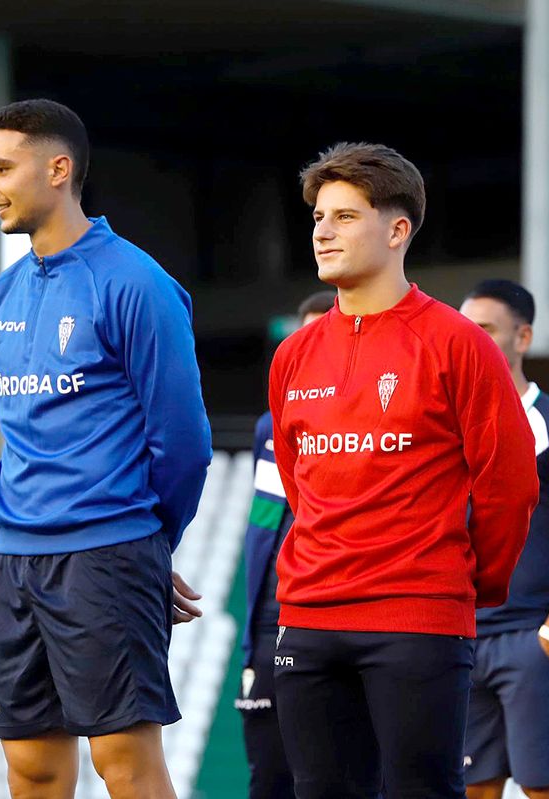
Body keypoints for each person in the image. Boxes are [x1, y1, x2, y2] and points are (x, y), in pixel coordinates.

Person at [268, 142, 539, 799]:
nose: (323, 232)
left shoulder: (457, 343)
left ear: (398, 230)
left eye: (345, 216)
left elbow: (509, 483)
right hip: (307, 618)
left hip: (417, 618)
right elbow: (299, 484)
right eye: (317, 218)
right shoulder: (293, 355)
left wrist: (472, 583)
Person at [0, 98, 212, 799]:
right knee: (32, 765)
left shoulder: (136, 282)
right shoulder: (1, 294)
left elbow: (185, 443)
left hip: (107, 556)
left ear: (58, 168)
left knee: (125, 763)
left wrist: (145, 544)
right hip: (14, 558)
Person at [458, 280, 549, 799]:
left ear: (523, 337)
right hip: (461, 641)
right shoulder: (443, 427)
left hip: (531, 641)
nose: (472, 341)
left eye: (486, 330)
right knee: (473, 789)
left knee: (548, 790)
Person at [236, 289, 336, 799]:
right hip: (269, 621)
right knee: (268, 776)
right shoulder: (267, 429)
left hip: (330, 619)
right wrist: (253, 631)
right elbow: (262, 529)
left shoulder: (360, 424)